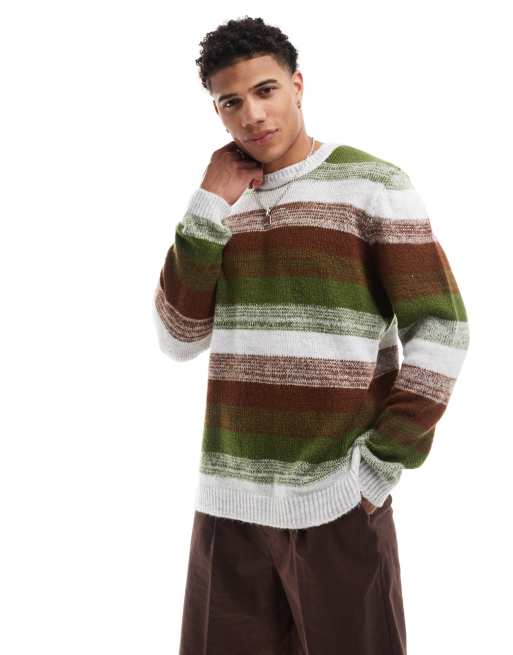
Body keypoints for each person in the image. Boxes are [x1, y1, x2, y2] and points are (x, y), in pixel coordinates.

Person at [153, 15, 470, 655]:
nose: (252, 115)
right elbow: (180, 336)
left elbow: (442, 328)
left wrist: (377, 467)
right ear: (216, 111)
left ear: (297, 85)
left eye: (265, 90)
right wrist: (208, 204)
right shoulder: (221, 204)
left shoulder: (372, 184)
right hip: (229, 503)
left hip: (337, 502)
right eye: (231, 102)